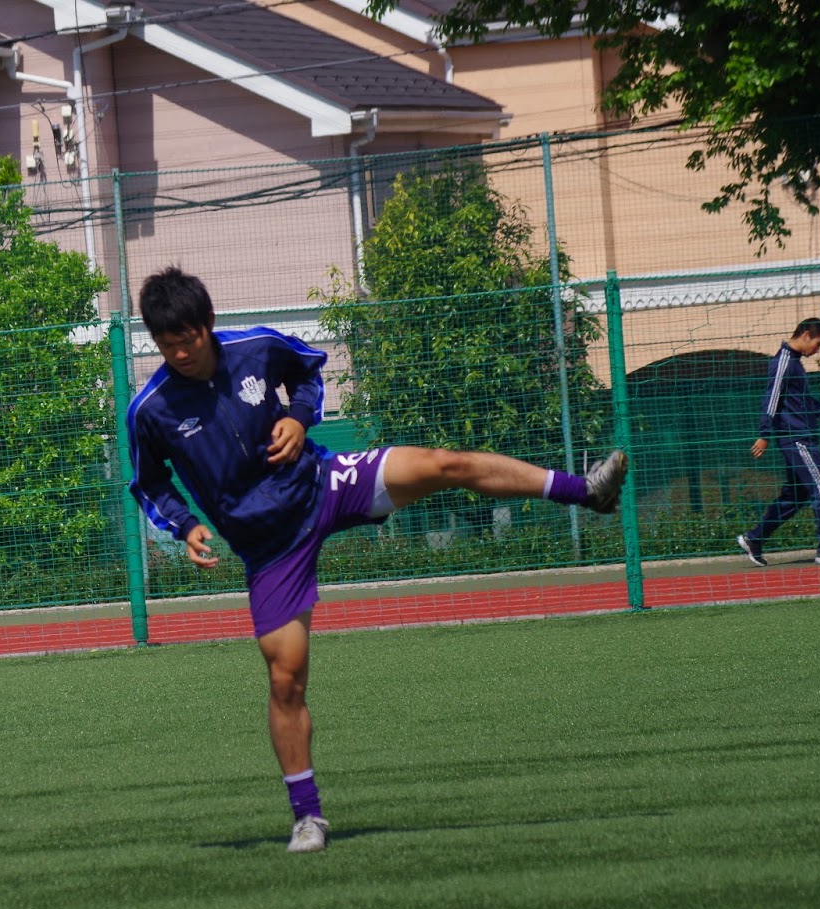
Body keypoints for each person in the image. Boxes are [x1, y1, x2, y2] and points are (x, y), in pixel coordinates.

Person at [125, 267, 628, 853]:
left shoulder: (256, 347)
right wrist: (184, 525)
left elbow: (308, 370)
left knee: (445, 464)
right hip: (269, 548)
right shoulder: (151, 409)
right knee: (285, 680)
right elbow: (148, 483)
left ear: (208, 324)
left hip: (324, 483)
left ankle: (585, 491)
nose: (180, 353)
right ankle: (307, 818)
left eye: (188, 338)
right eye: (166, 344)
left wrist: (299, 417)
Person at [735, 318, 820, 567]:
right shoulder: (783, 361)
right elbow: (771, 397)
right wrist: (764, 434)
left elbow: (806, 402)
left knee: (796, 494)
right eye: (818, 343)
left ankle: (754, 538)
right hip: (797, 440)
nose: (818, 350)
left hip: (802, 437)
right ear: (805, 335)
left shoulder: (795, 363)